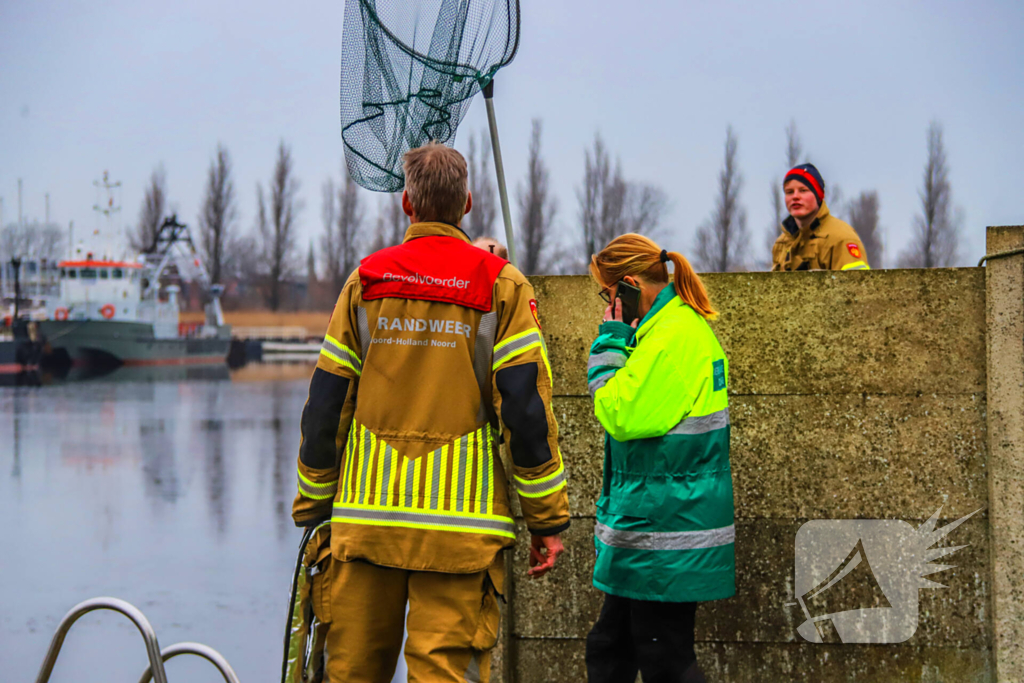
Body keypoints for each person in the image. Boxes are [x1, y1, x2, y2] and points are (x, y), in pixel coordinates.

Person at [291, 141, 569, 683]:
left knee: (347, 674)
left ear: (406, 205)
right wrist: (546, 518)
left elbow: (326, 404)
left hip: (365, 528)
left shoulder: (365, 282)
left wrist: (314, 506)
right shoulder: (501, 286)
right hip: (461, 539)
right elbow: (525, 410)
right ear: (467, 203)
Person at [585, 234, 736, 683]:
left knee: (664, 658)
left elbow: (620, 412)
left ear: (629, 285)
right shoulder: (665, 330)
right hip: (656, 521)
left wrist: (608, 344)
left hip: (664, 529)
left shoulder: (672, 337)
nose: (608, 305)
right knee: (611, 647)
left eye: (608, 294)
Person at [771, 163, 871, 271]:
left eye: (803, 190)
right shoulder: (782, 243)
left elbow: (857, 285)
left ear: (818, 195)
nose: (795, 196)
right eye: (789, 192)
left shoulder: (842, 238)